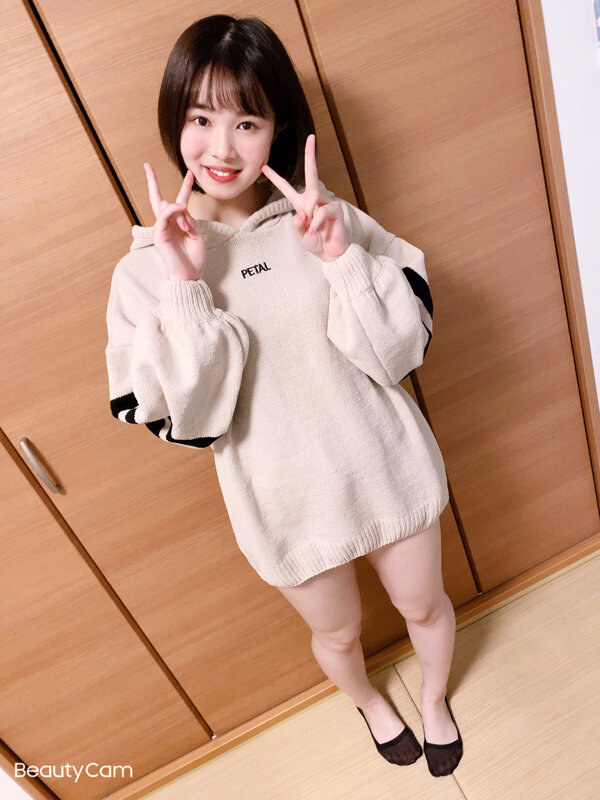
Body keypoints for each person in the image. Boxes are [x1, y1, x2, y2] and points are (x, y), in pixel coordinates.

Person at [104, 14, 462, 777]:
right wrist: (185, 285)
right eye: (200, 119)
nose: (221, 147)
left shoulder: (326, 218)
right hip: (284, 499)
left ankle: (435, 701)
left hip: (384, 462)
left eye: (247, 121)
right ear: (175, 122)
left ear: (278, 129)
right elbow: (190, 419)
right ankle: (372, 704)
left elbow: (398, 353)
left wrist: (338, 258)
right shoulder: (144, 269)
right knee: (338, 635)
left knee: (425, 606)